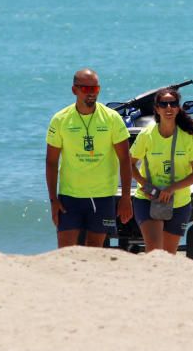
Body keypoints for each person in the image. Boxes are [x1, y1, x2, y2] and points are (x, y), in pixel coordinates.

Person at [45, 68, 133, 248]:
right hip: (70, 196)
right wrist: (53, 200)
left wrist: (125, 197)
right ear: (74, 90)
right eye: (86, 89)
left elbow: (125, 159)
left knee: (94, 249)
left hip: (103, 196)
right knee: (66, 248)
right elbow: (51, 162)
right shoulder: (60, 119)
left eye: (95, 89)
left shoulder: (112, 118)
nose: (91, 93)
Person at [129, 88, 193, 254]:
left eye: (173, 104)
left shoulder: (188, 136)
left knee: (168, 254)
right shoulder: (146, 135)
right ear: (157, 109)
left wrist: (171, 189)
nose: (169, 108)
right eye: (164, 104)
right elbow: (130, 165)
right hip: (148, 198)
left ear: (178, 108)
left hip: (179, 201)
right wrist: (146, 185)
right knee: (155, 250)